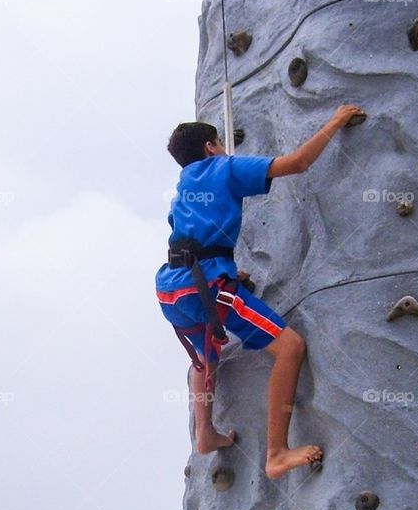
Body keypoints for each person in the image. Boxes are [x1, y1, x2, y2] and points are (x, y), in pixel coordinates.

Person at [156, 106, 364, 478]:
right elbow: (297, 163)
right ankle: (277, 453)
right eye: (219, 142)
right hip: (211, 290)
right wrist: (334, 121)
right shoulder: (224, 167)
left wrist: (230, 267)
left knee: (204, 360)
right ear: (211, 147)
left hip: (172, 291)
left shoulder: (182, 189)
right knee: (290, 347)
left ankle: (205, 433)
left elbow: (189, 240)